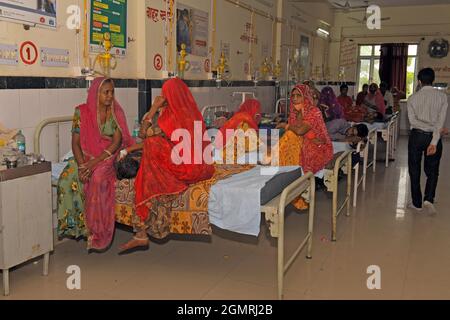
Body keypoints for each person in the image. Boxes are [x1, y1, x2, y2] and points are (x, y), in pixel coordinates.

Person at [119, 78, 215, 253]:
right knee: (152, 148)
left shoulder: (170, 116)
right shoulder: (193, 112)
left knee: (151, 146)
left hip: (186, 169)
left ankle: (140, 232)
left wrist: (154, 107)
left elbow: (143, 134)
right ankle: (140, 234)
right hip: (203, 167)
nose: (162, 96)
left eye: (164, 94)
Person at [57, 78, 134, 251]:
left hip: (107, 156)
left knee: (98, 178)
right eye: (105, 92)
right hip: (84, 156)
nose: (109, 96)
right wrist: (83, 165)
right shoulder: (81, 112)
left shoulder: (115, 113)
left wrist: (94, 163)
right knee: (66, 179)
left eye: (112, 92)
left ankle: (97, 230)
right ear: (95, 94)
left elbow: (116, 142)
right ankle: (77, 227)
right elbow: (75, 143)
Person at [407, 68, 448, 214]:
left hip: (417, 137)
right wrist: (434, 140)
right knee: (433, 170)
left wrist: (425, 125)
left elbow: (412, 121)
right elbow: (440, 122)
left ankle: (417, 203)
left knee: (414, 169)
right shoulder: (442, 97)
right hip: (434, 137)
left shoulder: (412, 98)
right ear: (433, 80)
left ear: (419, 81)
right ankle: (428, 199)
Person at [216, 99, 262, 163]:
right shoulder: (246, 120)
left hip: (221, 144)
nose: (258, 112)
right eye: (257, 109)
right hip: (227, 149)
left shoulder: (241, 115)